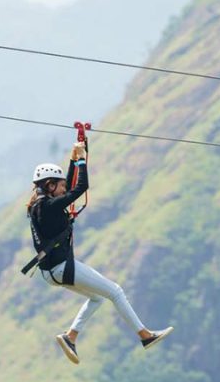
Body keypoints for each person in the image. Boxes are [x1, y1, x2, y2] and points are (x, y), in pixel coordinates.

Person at [27, 141, 173, 364]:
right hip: (61, 268)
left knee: (97, 298)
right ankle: (145, 336)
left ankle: (70, 336)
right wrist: (83, 160)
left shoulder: (40, 205)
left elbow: (69, 188)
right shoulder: (48, 206)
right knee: (115, 292)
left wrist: (74, 159)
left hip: (52, 272)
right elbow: (80, 188)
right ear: (49, 186)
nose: (64, 189)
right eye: (60, 185)